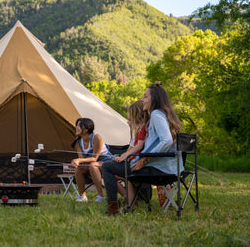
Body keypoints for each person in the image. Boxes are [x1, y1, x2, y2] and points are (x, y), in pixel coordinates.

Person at [102, 81, 182, 216]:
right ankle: (129, 206)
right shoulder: (161, 115)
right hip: (168, 166)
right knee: (119, 165)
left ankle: (113, 209)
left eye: (145, 97)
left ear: (154, 99)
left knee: (107, 167)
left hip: (159, 168)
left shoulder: (156, 114)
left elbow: (166, 140)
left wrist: (144, 160)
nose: (142, 100)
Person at [70, 118, 114, 202]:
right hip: (91, 163)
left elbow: (95, 158)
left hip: (106, 162)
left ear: (86, 129)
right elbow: (82, 159)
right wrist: (77, 163)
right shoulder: (78, 142)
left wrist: (78, 160)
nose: (76, 127)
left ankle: (100, 196)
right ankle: (82, 196)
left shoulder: (96, 137)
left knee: (93, 166)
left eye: (79, 125)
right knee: (80, 168)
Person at [113, 99, 149, 203]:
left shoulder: (141, 128)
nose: (128, 120)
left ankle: (129, 200)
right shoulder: (138, 129)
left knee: (110, 170)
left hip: (136, 161)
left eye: (131, 117)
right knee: (111, 170)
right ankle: (129, 198)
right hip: (132, 159)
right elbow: (132, 146)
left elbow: (139, 145)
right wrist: (124, 156)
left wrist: (126, 156)